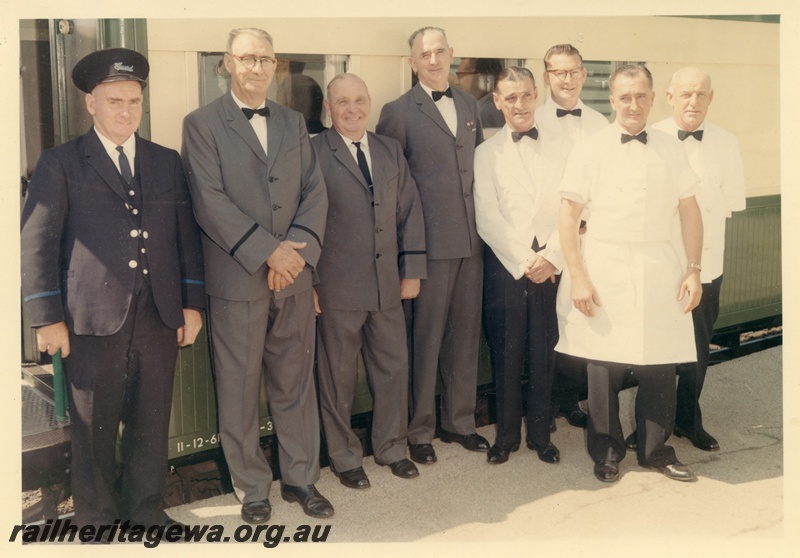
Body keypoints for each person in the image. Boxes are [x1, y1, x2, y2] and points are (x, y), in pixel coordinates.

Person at [21, 48, 206, 533]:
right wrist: (46, 317)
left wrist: (191, 304)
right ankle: (98, 523)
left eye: (133, 102)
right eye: (114, 101)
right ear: (91, 104)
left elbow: (185, 235)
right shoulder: (60, 163)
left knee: (150, 425)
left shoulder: (165, 162)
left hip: (158, 316)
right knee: (93, 430)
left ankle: (146, 512)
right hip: (89, 320)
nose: (125, 111)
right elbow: (36, 242)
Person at [181, 27, 332, 523]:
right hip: (238, 281)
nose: (256, 68)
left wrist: (294, 259)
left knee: (295, 384)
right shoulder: (201, 124)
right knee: (240, 387)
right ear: (227, 62)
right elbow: (208, 201)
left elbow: (314, 192)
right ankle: (252, 488)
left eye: (265, 59)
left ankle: (301, 479)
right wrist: (270, 253)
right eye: (246, 58)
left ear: (275, 66)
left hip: (294, 279)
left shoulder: (293, 122)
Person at [556, 64, 703, 483]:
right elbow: (568, 217)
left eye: (641, 96)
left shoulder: (672, 148)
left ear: (653, 98)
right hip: (605, 265)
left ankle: (655, 450)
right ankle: (606, 451)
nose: (633, 105)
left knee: (660, 362)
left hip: (661, 265)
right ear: (612, 99)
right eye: (625, 97)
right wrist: (579, 276)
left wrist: (693, 269)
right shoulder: (590, 148)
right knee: (604, 366)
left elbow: (690, 212)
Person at [377, 26, 488, 465]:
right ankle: (419, 429)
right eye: (425, 54)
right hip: (427, 248)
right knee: (424, 341)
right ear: (413, 63)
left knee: (464, 337)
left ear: (452, 55)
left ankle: (459, 421)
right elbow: (393, 190)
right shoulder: (398, 112)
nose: (434, 59)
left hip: (471, 242)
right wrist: (409, 254)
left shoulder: (468, 104)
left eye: (440, 51)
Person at [312, 73, 426, 488]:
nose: (353, 109)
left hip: (387, 285)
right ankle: (344, 459)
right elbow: (300, 222)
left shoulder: (389, 150)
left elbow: (410, 211)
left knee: (393, 368)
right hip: (336, 288)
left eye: (360, 99)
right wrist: (309, 283)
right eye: (343, 102)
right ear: (329, 107)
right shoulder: (312, 152)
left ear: (370, 102)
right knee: (337, 377)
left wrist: (411, 270)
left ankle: (392, 448)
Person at [473, 67, 569, 465]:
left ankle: (541, 435)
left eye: (526, 96)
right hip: (507, 267)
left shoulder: (562, 148)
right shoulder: (486, 153)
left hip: (550, 265)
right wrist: (526, 259)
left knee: (544, 352)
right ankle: (507, 436)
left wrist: (551, 258)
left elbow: (573, 208)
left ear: (536, 97)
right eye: (510, 98)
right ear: (497, 102)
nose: (519, 105)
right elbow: (487, 216)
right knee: (507, 352)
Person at [649, 67, 745, 451]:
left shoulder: (727, 142)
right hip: (661, 265)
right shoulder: (651, 138)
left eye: (700, 95)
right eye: (685, 94)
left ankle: (688, 419)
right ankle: (652, 424)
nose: (693, 102)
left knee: (698, 348)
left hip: (706, 266)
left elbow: (729, 205)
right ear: (670, 97)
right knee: (656, 350)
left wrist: (700, 264)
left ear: (711, 98)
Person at [537, 44, 610, 430]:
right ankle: (542, 406)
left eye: (573, 72)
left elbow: (606, 187)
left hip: (583, 244)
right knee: (545, 329)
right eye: (557, 72)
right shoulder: (531, 121)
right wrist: (549, 250)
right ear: (546, 75)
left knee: (577, 325)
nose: (566, 80)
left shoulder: (601, 124)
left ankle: (569, 400)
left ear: (583, 75)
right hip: (543, 248)